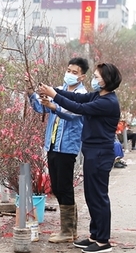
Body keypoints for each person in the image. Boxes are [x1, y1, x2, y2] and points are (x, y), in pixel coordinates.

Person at [38, 62, 122, 253]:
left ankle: (103, 240)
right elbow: (77, 97)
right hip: (92, 151)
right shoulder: (98, 95)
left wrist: (54, 96)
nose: (95, 79)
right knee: (91, 195)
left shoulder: (107, 102)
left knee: (99, 196)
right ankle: (94, 235)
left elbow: (77, 107)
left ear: (107, 80)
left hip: (100, 153)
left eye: (97, 76)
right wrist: (54, 93)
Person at [26, 57, 89, 243]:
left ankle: (68, 230)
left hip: (68, 147)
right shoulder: (58, 91)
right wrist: (31, 92)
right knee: (56, 187)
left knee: (65, 187)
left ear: (82, 77)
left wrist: (53, 104)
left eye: (74, 72)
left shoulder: (82, 95)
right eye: (69, 70)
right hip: (53, 144)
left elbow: (71, 114)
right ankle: (69, 229)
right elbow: (40, 106)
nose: (70, 74)